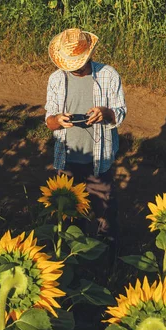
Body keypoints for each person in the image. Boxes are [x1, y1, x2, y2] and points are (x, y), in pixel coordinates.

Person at [44, 28, 126, 250]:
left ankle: (107, 255)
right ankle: (74, 254)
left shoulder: (108, 75)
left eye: (78, 62)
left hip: (99, 159)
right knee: (70, 213)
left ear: (88, 55)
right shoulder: (56, 79)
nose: (75, 68)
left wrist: (104, 113)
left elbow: (120, 113)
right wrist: (58, 120)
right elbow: (48, 121)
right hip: (66, 159)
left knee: (105, 210)